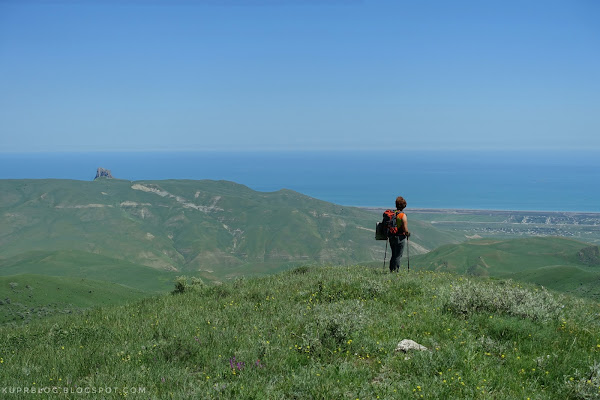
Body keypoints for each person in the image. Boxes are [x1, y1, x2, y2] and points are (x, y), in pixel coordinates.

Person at [389, 196, 410, 272]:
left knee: (393, 255)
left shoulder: (393, 214)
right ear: (404, 206)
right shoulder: (402, 215)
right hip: (400, 237)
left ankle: (391, 270)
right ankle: (396, 271)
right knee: (398, 256)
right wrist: (408, 234)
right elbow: (405, 229)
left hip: (391, 236)